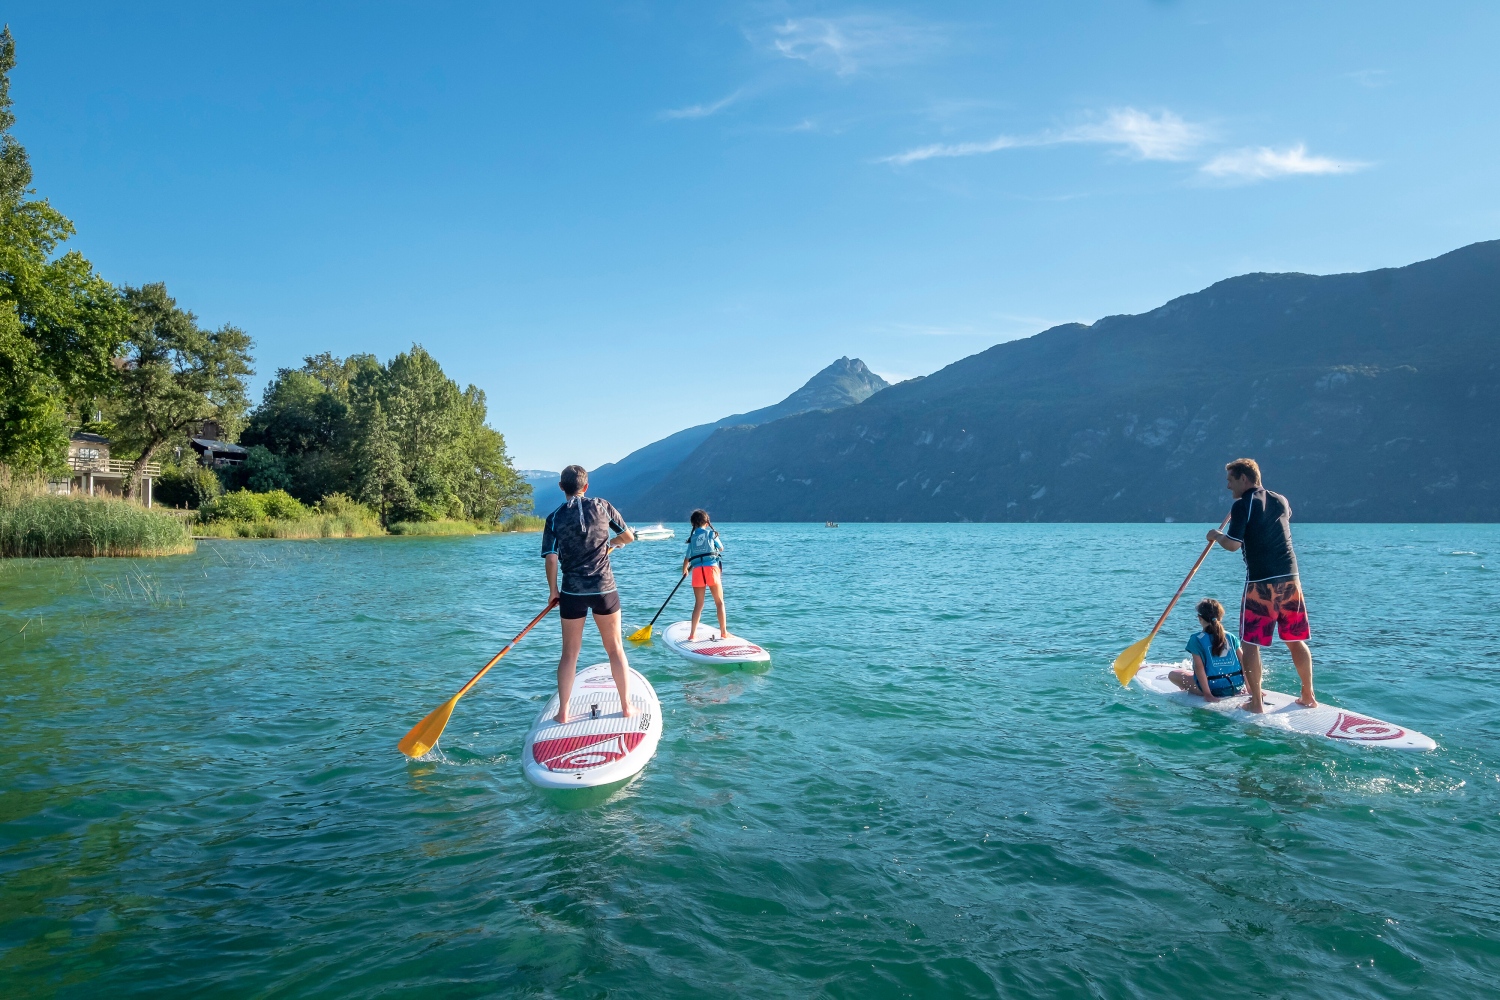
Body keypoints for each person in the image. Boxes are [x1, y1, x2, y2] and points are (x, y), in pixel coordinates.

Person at [1205, 458, 1315, 713]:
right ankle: (1308, 695)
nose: (1227, 487)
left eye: (1230, 480)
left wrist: (1216, 535)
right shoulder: (1281, 500)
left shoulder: (1242, 505)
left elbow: (1233, 544)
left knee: (1250, 644)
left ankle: (1256, 703)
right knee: (1295, 640)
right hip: (1291, 580)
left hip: (1260, 584)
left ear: (1244, 478)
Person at [540, 465, 635, 724]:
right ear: (586, 486)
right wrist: (611, 544)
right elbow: (628, 537)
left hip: (571, 591)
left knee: (569, 654)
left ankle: (563, 713)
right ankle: (626, 708)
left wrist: (553, 591)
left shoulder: (554, 517)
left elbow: (550, 558)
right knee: (615, 649)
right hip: (604, 589)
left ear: (562, 487)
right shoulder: (603, 506)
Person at [1169, 598, 1245, 701]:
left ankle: (1191, 690)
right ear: (1220, 617)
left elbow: (1199, 668)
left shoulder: (1196, 639)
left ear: (1200, 618)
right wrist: (1250, 688)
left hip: (1214, 690)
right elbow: (1245, 663)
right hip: (1236, 686)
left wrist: (1208, 694)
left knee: (1173, 674)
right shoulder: (1231, 637)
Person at [681, 509, 729, 640]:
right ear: (707, 523)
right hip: (711, 569)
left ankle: (692, 634)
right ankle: (724, 632)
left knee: (699, 604)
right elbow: (721, 548)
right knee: (719, 602)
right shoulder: (711, 534)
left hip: (697, 571)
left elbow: (687, 557)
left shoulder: (692, 538)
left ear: (693, 524)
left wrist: (685, 570)